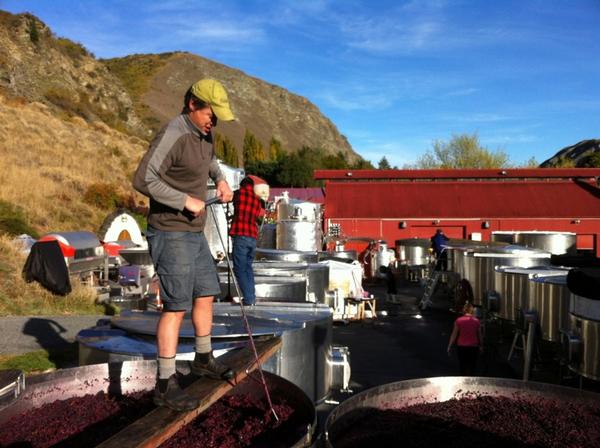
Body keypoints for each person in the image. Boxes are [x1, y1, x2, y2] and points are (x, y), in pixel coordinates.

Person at [133, 78, 235, 411]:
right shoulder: (174, 133)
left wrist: (219, 179)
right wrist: (182, 200)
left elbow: (210, 161)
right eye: (210, 113)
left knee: (206, 293)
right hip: (169, 231)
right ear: (192, 104)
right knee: (176, 306)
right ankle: (164, 383)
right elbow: (143, 179)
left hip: (194, 233)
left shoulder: (205, 133)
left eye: (217, 116)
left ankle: (203, 358)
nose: (213, 121)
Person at [229, 175, 268, 306]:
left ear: (242, 185)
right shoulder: (258, 199)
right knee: (247, 268)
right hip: (252, 236)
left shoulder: (239, 194)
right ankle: (251, 297)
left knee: (239, 268)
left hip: (241, 234)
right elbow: (259, 214)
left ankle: (249, 298)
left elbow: (226, 197)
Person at [447, 301, 483, 375]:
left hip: (462, 346)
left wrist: (449, 346)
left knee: (462, 366)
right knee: (472, 367)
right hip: (473, 346)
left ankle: (463, 382)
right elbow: (480, 335)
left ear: (464, 310)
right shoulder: (477, 321)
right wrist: (481, 346)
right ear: (472, 311)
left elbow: (454, 335)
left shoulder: (459, 320)